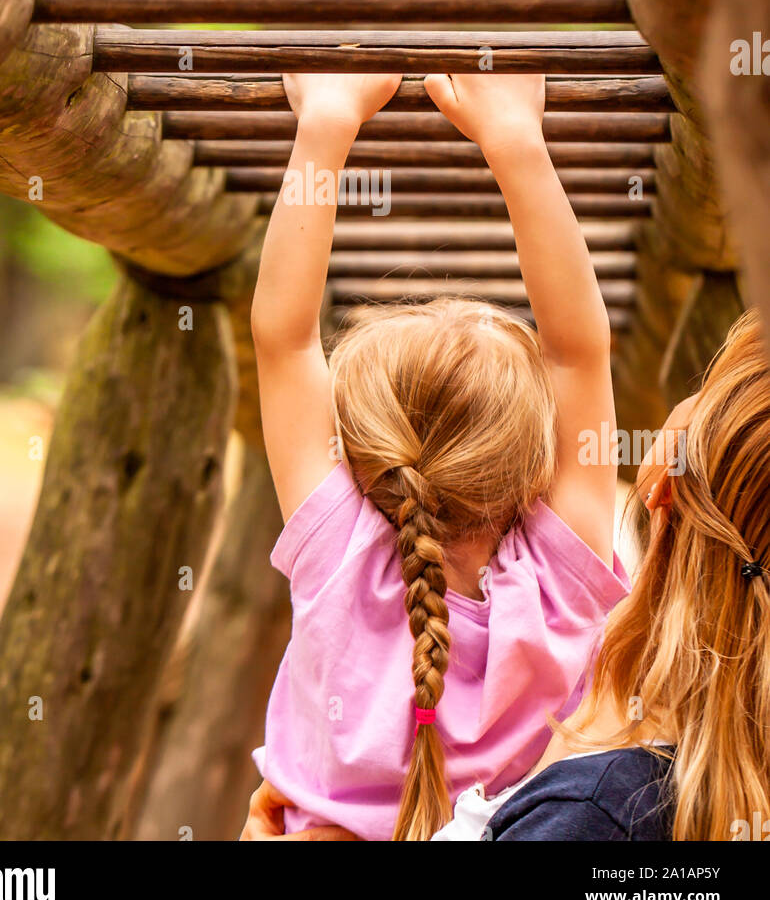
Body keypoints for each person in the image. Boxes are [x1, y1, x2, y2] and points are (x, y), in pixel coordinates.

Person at [248, 70, 628, 841]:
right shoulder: (561, 584)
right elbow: (581, 352)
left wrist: (326, 122)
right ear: (535, 455)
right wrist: (518, 143)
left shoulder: (340, 555)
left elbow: (282, 339)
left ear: (363, 447)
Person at [243, 309, 770, 843]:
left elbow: (283, 338)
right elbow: (578, 349)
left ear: (664, 487)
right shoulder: (562, 606)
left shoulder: (598, 807)